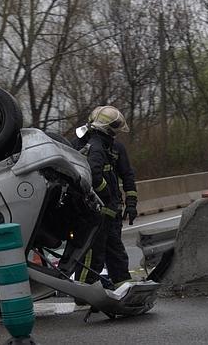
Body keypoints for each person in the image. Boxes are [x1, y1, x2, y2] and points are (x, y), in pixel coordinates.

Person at [73, 106, 137, 289]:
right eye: (114, 132)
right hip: (94, 212)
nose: (115, 136)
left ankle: (123, 287)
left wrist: (131, 203)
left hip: (111, 213)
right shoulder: (90, 147)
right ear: (107, 130)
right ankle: (83, 290)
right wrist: (107, 197)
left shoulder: (115, 149)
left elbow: (128, 176)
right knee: (93, 252)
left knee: (116, 252)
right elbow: (92, 176)